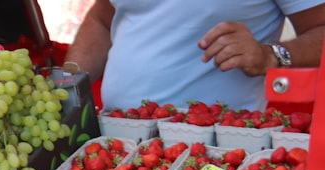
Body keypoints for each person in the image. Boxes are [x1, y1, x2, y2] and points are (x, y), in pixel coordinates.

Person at [63, 0, 325, 110]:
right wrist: (66, 83)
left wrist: (271, 55)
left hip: (220, 149)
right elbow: (102, 20)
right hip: (117, 139)